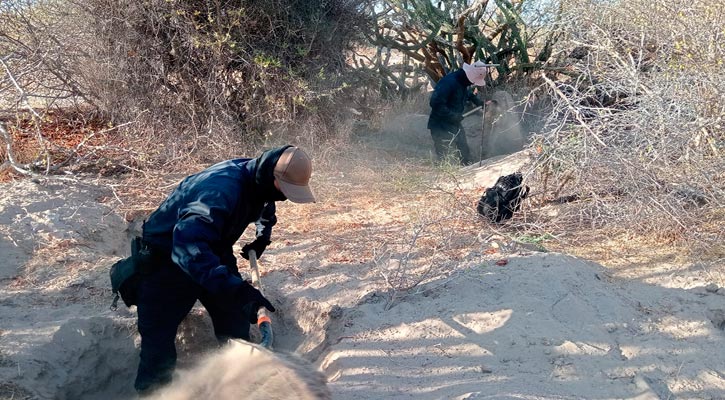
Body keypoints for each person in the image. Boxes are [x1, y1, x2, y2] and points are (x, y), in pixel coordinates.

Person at [133, 145, 315, 395]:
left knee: (234, 322)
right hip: (168, 259)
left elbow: (266, 207)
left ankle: (239, 385)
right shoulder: (220, 190)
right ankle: (153, 393)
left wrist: (263, 237)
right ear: (272, 176)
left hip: (212, 249)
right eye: (284, 190)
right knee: (158, 342)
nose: (284, 197)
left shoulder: (259, 180)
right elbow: (187, 249)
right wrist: (238, 291)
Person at [427, 61, 488, 165]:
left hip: (454, 123)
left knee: (464, 151)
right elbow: (435, 103)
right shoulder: (449, 82)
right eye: (473, 80)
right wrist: (452, 116)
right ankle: (446, 175)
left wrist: (479, 102)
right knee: (445, 153)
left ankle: (467, 168)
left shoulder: (462, 81)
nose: (473, 83)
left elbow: (467, 94)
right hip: (440, 124)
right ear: (469, 75)